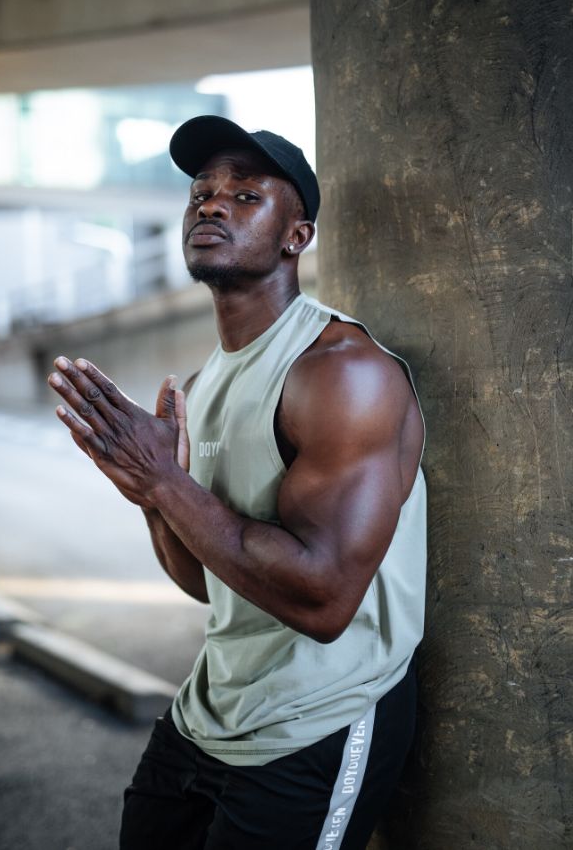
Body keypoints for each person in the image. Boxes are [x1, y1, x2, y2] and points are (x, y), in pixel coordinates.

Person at [48, 115, 426, 850]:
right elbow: (206, 582)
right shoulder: (206, 381)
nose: (211, 206)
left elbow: (322, 600)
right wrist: (153, 498)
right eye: (201, 194)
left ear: (297, 236)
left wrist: (167, 481)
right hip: (208, 714)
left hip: (317, 721)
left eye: (246, 196)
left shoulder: (340, 373)